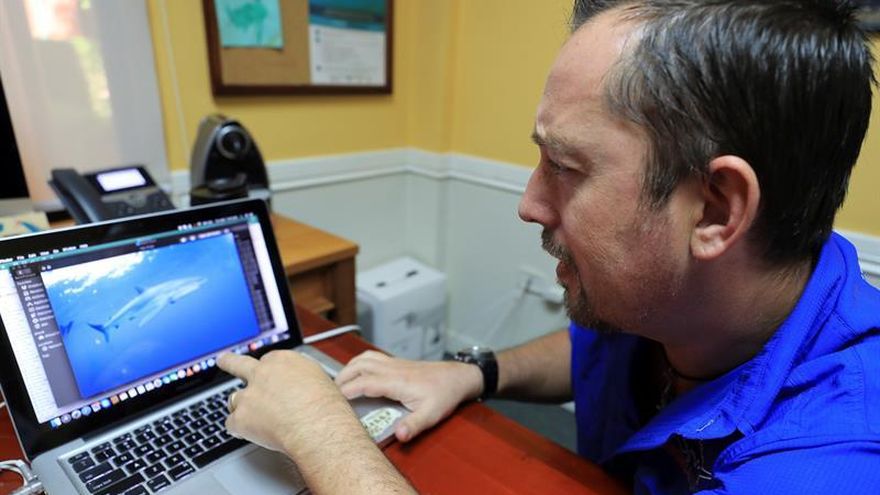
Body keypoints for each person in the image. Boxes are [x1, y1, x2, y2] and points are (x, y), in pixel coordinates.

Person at [218, 0, 880, 493]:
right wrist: (476, 372)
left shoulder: (826, 463)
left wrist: (320, 432)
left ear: (715, 209)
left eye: (564, 166)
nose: (529, 204)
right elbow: (595, 347)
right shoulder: (674, 302)